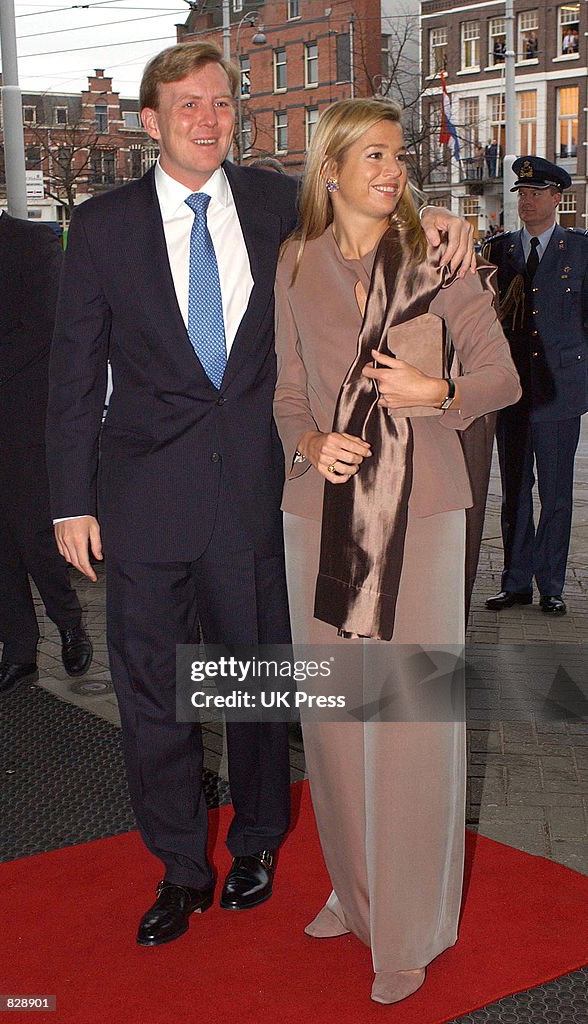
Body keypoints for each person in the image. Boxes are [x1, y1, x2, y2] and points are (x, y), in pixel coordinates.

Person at [46, 42, 476, 948]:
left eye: (223, 104)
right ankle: (176, 865)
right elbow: (74, 371)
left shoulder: (281, 205)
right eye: (189, 105)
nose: (210, 119)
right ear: (151, 121)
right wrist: (68, 499)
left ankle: (258, 840)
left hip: (255, 494)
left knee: (254, 685)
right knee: (153, 692)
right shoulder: (105, 224)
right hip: (144, 499)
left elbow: (373, 209)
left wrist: (441, 215)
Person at [273, 98, 520, 1005]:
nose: (392, 168)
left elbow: (503, 376)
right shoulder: (295, 261)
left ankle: (412, 926)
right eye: (372, 154)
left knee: (411, 726)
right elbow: (286, 393)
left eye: (399, 155)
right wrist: (308, 445)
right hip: (319, 512)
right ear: (329, 168)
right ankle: (358, 888)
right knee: (337, 723)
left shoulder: (440, 257)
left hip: (422, 511)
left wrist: (437, 387)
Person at [0, 172, 92, 698]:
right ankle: (18, 653)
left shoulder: (34, 242)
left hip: (23, 423)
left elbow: (44, 328)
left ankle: (70, 623)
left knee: (34, 533)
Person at [483, 156, 587, 616]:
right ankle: (516, 582)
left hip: (560, 391)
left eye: (536, 194)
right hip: (512, 393)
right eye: (522, 194)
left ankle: (553, 585)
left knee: (558, 496)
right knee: (515, 493)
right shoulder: (498, 250)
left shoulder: (581, 251)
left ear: (557, 198)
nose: (526, 202)